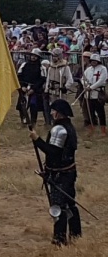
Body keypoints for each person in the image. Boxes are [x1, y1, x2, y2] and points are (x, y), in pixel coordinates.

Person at [30, 99, 81, 245]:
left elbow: (53, 152)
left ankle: (59, 239)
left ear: (58, 113)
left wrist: (37, 140)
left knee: (59, 206)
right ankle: (75, 235)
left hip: (61, 174)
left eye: (53, 110)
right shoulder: (69, 127)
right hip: (67, 172)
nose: (51, 113)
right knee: (70, 204)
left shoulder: (59, 130)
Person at [17, 48, 46, 128]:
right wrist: (22, 86)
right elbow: (19, 76)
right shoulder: (24, 65)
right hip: (24, 88)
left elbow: (42, 79)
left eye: (35, 56)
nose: (33, 57)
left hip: (35, 90)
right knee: (22, 105)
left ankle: (33, 121)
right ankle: (23, 120)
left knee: (34, 105)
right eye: (32, 55)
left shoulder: (41, 67)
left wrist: (33, 89)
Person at [82, 53, 108, 137]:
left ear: (98, 61)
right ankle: (91, 129)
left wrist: (92, 87)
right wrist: (85, 85)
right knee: (90, 112)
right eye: (92, 60)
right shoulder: (88, 69)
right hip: (88, 95)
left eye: (95, 61)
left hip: (97, 94)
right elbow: (83, 78)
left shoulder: (103, 69)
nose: (94, 62)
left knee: (101, 113)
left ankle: (103, 130)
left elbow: (102, 80)